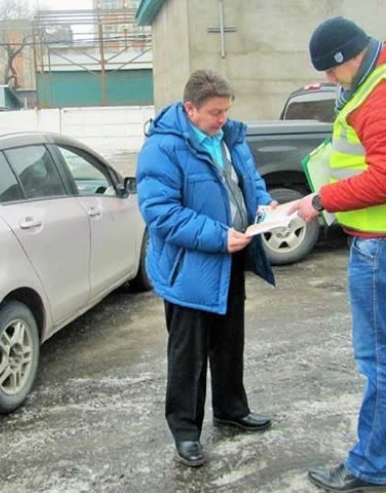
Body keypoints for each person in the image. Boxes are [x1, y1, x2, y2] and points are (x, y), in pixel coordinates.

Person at [290, 16, 386, 492]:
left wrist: (319, 201)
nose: (330, 80)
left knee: (380, 357)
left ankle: (368, 465)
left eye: (331, 72)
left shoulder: (385, 91)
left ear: (348, 58)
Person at [136, 69, 276, 467]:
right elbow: (161, 213)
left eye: (227, 111)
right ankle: (185, 431)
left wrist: (265, 206)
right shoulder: (162, 149)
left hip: (231, 257)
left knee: (230, 342)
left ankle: (231, 409)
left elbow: (250, 181)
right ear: (190, 109)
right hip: (189, 268)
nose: (223, 119)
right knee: (189, 355)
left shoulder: (229, 138)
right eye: (216, 112)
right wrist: (217, 235)